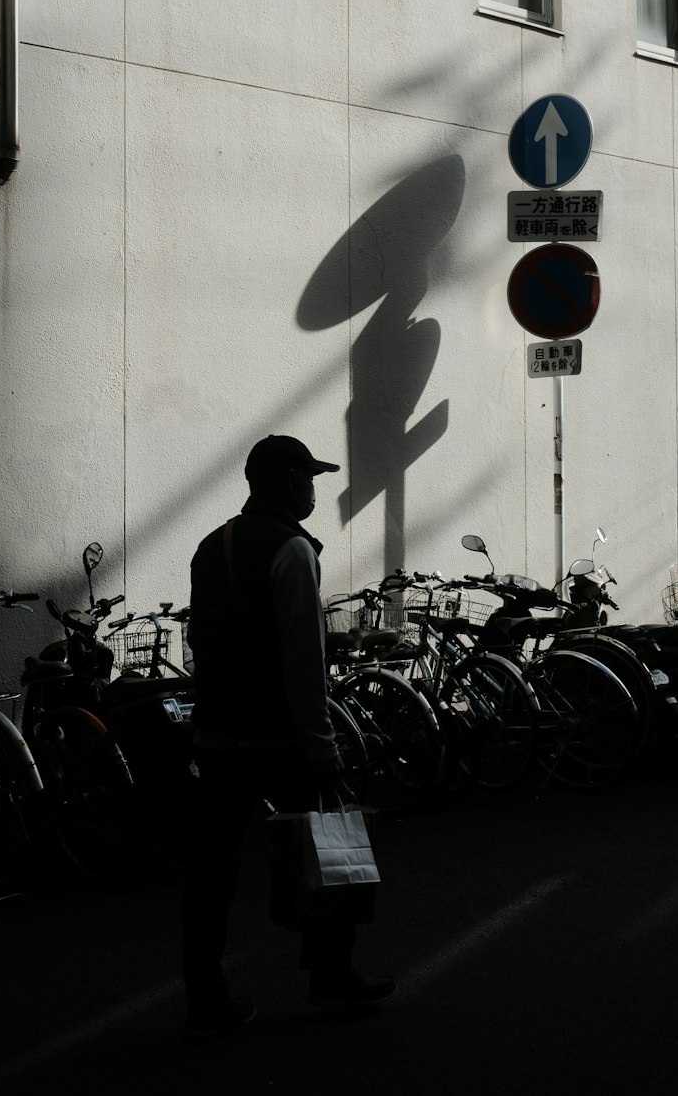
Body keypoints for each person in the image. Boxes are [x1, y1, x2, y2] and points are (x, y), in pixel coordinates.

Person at [181, 434, 395, 1039]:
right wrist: (323, 749)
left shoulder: (211, 544)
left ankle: (205, 993)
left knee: (212, 870)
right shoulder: (293, 550)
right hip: (279, 736)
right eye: (306, 478)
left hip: (219, 733)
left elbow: (203, 641)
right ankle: (332, 974)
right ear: (281, 482)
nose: (312, 490)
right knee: (333, 847)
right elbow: (304, 661)